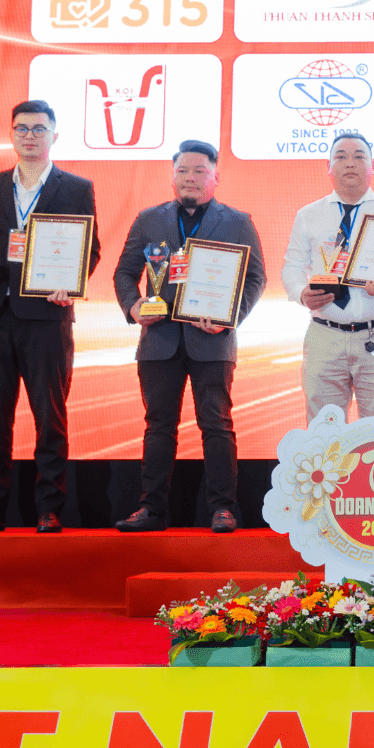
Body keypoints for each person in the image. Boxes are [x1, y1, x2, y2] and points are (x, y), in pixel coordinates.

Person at [0, 100, 100, 535]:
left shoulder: (77, 187)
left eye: (39, 129)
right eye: (22, 128)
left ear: (54, 135)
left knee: (49, 416)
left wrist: (70, 284)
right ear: (11, 134)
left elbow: (88, 248)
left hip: (47, 315)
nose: (30, 136)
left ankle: (49, 507)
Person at [111, 140, 267, 533]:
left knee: (217, 425)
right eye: (182, 170)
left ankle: (223, 509)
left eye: (199, 171)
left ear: (216, 177)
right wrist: (133, 306)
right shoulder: (149, 219)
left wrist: (230, 318)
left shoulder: (237, 221)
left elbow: (256, 278)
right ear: (173, 176)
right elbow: (124, 273)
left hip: (212, 341)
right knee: (158, 426)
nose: (190, 178)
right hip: (158, 340)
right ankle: (151, 509)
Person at [280, 131, 374, 421]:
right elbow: (292, 266)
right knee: (324, 431)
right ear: (328, 167)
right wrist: (301, 293)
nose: (350, 163)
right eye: (341, 157)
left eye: (359, 156)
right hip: (324, 334)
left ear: (373, 167)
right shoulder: (309, 215)